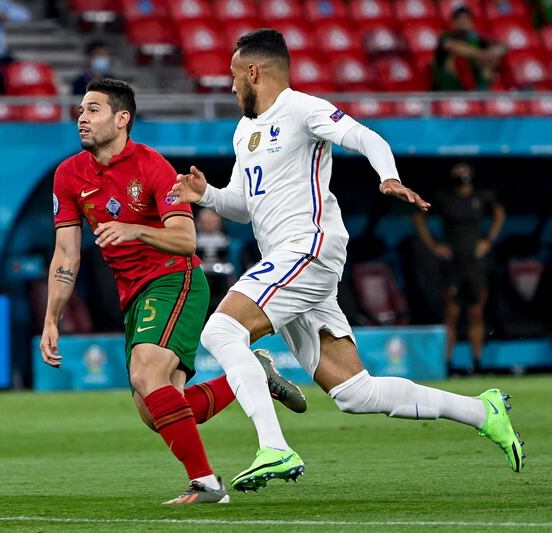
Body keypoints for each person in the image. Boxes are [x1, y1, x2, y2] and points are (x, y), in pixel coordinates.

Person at [170, 29, 524, 493]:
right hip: (286, 259)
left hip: (310, 248)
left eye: (234, 76)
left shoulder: (302, 108)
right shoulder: (244, 131)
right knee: (355, 393)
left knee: (221, 330)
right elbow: (244, 203)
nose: (231, 86)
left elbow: (364, 136)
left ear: (254, 71)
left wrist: (388, 177)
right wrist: (209, 195)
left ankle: (274, 447)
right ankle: (483, 410)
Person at [40, 78, 306, 505]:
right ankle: (250, 376)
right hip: (133, 294)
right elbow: (66, 255)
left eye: (93, 110)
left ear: (122, 118)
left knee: (146, 374)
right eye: (80, 111)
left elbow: (185, 240)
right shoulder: (69, 174)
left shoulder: (152, 166)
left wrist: (132, 230)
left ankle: (206, 483)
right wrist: (52, 318)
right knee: (156, 411)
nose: (81, 118)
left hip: (173, 278)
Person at [413, 162, 505, 375]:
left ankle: (477, 363)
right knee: (452, 313)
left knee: (476, 312)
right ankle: (447, 363)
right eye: (457, 173)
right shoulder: (445, 198)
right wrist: (434, 245)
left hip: (475, 263)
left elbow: (499, 214)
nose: (461, 176)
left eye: (464, 172)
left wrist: (488, 241)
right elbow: (419, 218)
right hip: (453, 264)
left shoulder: (482, 197)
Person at [433, 5, 507, 91]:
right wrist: (482, 54)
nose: (463, 21)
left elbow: (503, 46)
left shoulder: (475, 39)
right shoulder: (446, 36)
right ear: (453, 22)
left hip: (472, 81)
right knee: (457, 58)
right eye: (459, 18)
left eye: (467, 18)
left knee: (490, 61)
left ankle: (482, 92)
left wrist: (492, 53)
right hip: (448, 84)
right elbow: (453, 46)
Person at [195, 208, 234, 315]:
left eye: (213, 221)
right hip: (201, 271)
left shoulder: (225, 240)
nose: (210, 224)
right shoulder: (195, 240)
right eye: (206, 222)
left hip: (221, 274)